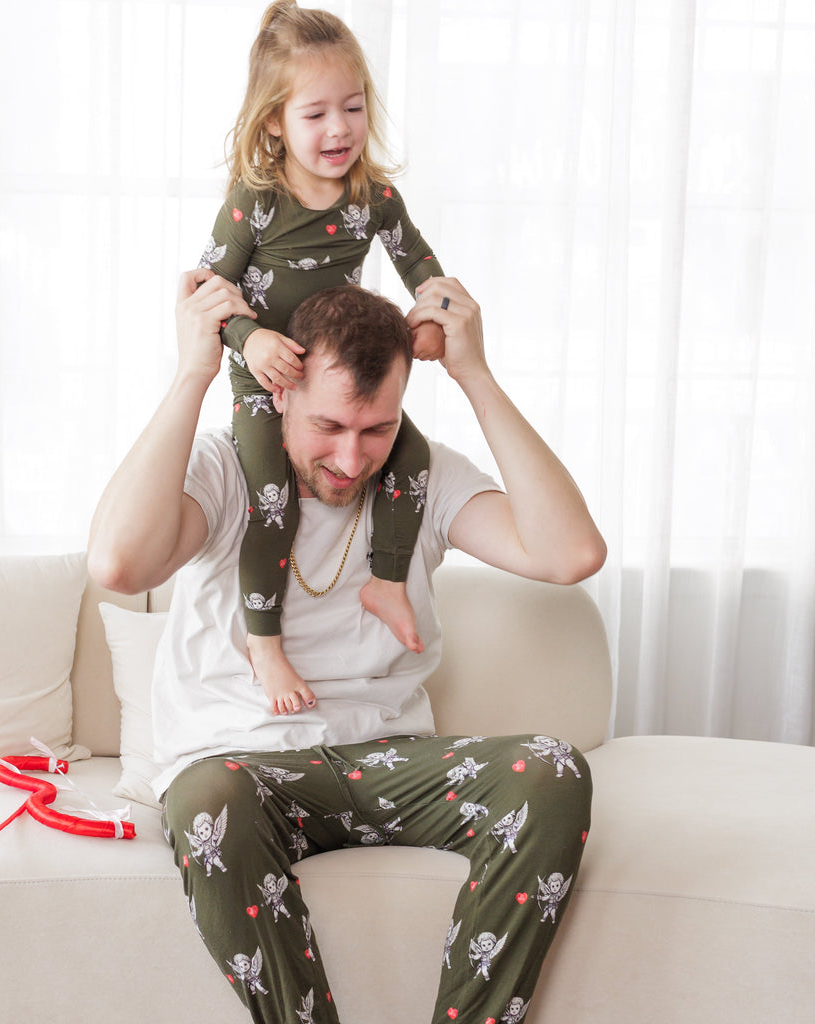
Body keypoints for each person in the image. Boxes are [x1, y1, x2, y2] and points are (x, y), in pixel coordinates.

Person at [88, 268, 606, 1024]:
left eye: (377, 429)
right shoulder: (229, 468)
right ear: (281, 394)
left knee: (553, 772)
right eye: (328, 427)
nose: (352, 459)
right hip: (242, 768)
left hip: (385, 760)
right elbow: (119, 565)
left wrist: (477, 377)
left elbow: (570, 555)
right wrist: (193, 372)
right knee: (208, 799)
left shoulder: (419, 482)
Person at [201, 0, 448, 716]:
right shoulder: (257, 201)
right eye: (315, 114)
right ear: (274, 120)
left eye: (352, 107)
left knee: (411, 455)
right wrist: (252, 340)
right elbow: (210, 293)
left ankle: (388, 580)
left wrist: (430, 316)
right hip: (265, 382)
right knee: (272, 502)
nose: (338, 128)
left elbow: (421, 266)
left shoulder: (373, 199)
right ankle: (264, 641)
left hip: (333, 386)